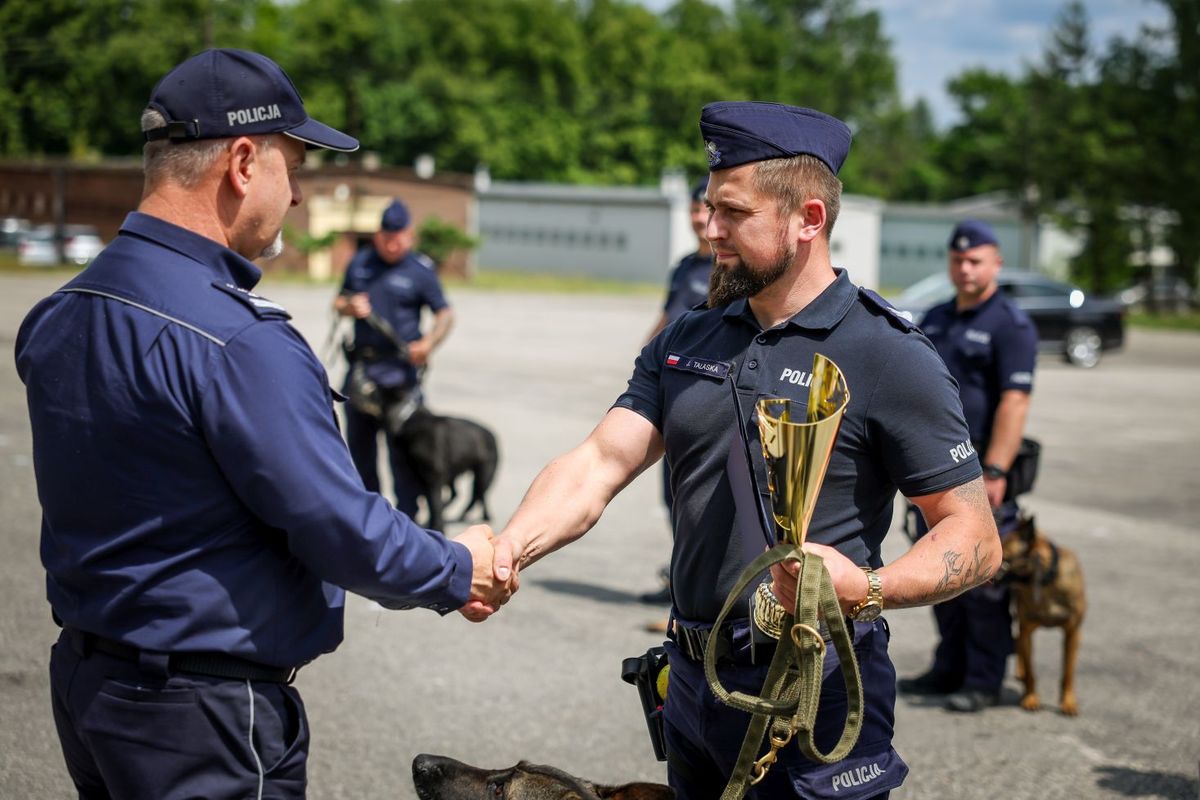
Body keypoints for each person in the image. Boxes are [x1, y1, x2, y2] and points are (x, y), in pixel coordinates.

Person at [15, 48, 508, 799]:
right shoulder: (238, 340)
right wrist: (455, 565)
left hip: (92, 685)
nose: (300, 196)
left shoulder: (62, 312)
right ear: (244, 161)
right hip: (201, 716)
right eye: (294, 167)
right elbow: (338, 524)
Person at [472, 101, 1000, 799]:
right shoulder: (690, 338)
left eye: (733, 213)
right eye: (708, 207)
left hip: (814, 698)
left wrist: (868, 588)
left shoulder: (886, 354)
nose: (709, 229)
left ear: (808, 219)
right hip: (690, 686)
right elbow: (599, 462)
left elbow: (976, 538)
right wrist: (509, 549)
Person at [897, 219, 1038, 713]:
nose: (965, 268)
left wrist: (996, 471)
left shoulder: (1010, 324)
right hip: (930, 471)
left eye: (975, 259)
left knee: (981, 582)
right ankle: (947, 668)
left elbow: (1014, 402)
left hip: (980, 471)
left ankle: (983, 678)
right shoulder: (936, 317)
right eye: (958, 260)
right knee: (939, 570)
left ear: (996, 262)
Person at [333, 198, 454, 519]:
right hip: (364, 374)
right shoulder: (360, 263)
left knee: (407, 453)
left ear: (409, 234)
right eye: (386, 236)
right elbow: (339, 301)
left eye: (398, 236)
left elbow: (444, 314)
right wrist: (349, 306)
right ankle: (369, 518)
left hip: (401, 376)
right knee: (360, 451)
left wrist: (429, 343)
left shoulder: (420, 270)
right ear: (377, 235)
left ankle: (408, 518)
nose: (391, 243)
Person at [640, 177, 714, 606]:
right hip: (672, 391)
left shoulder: (729, 266)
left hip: (707, 394)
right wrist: (645, 357)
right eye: (692, 210)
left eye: (704, 209)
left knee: (700, 496)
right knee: (672, 494)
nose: (698, 218)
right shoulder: (685, 266)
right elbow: (667, 317)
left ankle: (699, 590)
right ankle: (680, 580)